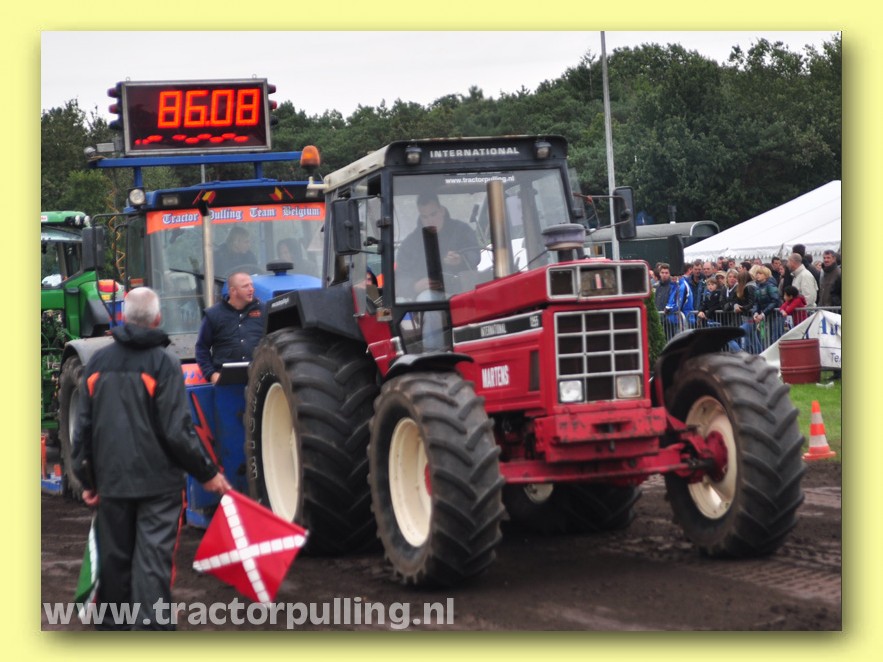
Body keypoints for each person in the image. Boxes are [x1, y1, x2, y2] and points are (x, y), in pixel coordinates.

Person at [71, 287, 230, 630]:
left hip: (112, 482)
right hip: (159, 485)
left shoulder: (97, 363)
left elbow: (83, 430)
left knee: (114, 560)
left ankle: (112, 631)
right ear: (158, 319)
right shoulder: (164, 363)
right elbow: (177, 431)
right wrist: (207, 474)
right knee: (152, 561)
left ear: (123, 318)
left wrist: (88, 480)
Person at [395, 192, 481, 300]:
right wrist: (414, 286)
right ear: (420, 216)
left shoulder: (461, 230)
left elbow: (475, 254)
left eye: (433, 214)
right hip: (428, 296)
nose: (430, 220)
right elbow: (400, 276)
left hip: (462, 290)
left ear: (442, 211)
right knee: (425, 298)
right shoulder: (410, 244)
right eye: (425, 217)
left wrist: (461, 259)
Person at [195, 272, 265, 384]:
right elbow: (201, 348)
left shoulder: (265, 311)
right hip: (226, 381)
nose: (251, 289)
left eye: (251, 285)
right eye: (245, 286)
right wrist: (211, 374)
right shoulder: (213, 315)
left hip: (260, 378)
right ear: (233, 291)